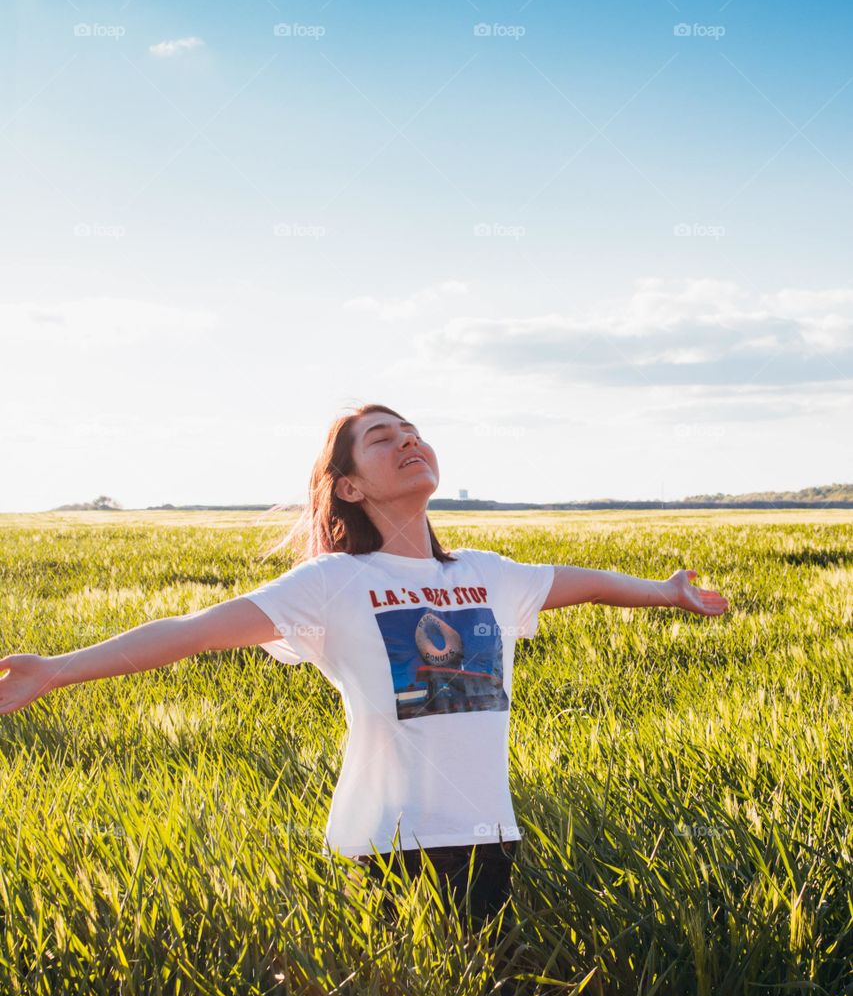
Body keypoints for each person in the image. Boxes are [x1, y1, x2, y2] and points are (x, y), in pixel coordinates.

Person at [0, 401, 729, 937]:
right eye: (382, 437)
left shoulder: (488, 574)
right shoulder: (333, 582)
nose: (408, 440)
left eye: (412, 431)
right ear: (348, 487)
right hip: (387, 845)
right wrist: (56, 670)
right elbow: (191, 634)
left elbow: (590, 583)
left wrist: (667, 592)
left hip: (488, 833)